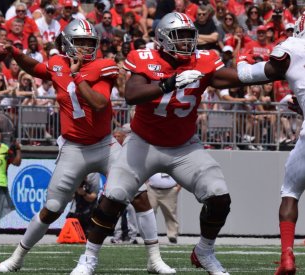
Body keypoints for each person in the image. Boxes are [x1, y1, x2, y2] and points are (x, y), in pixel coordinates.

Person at [70, 12, 251, 275]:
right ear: (163, 38)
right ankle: (88, 259)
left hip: (184, 146)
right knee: (114, 197)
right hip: (143, 143)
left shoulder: (204, 60)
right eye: (180, 37)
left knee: (220, 197)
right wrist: (169, 83)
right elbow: (132, 94)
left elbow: (233, 78)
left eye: (190, 36)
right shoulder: (145, 57)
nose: (186, 42)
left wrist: (270, 70)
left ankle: (204, 251)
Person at [0, 19, 173, 274]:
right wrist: (15, 53)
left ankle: (155, 259)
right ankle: (17, 257)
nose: (85, 48)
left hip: (104, 144)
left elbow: (99, 103)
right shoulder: (57, 63)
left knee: (140, 196)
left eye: (89, 43)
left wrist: (77, 76)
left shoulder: (103, 65)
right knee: (52, 208)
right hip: (73, 148)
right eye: (80, 42)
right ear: (67, 43)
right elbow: (35, 68)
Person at [231, 12, 305, 275]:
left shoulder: (294, 47)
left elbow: (257, 74)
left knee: (290, 192)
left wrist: (241, 63)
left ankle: (287, 255)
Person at [147, 173, 181, 244]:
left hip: (170, 190)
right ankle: (149, 235)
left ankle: (172, 235)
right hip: (152, 189)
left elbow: (180, 172)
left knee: (170, 213)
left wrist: (178, 187)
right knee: (149, 213)